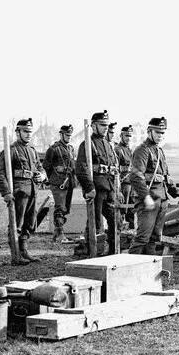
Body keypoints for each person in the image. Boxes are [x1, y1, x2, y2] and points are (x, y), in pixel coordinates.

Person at [128, 117, 179, 255]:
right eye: (157, 132)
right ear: (149, 132)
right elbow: (136, 176)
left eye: (162, 133)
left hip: (161, 199)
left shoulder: (159, 150)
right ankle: (129, 266)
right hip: (149, 200)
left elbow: (165, 176)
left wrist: (175, 191)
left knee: (154, 238)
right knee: (142, 238)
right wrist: (146, 197)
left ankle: (149, 265)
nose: (160, 136)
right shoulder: (142, 150)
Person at [0, 118, 47, 265]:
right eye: (25, 131)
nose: (29, 134)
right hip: (19, 193)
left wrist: (42, 175)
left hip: (33, 191)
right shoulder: (11, 150)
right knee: (17, 223)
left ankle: (24, 251)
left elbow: (40, 167)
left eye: (30, 132)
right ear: (18, 133)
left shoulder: (32, 150)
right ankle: (15, 255)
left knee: (30, 223)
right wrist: (6, 193)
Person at [76, 110, 121, 257]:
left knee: (116, 220)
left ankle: (113, 251)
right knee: (95, 222)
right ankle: (91, 251)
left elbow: (115, 169)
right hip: (96, 189)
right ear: (94, 126)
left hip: (110, 189)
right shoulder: (87, 145)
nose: (106, 128)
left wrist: (118, 190)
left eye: (107, 125)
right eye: (102, 125)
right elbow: (81, 168)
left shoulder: (108, 145)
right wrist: (89, 188)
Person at [44, 125, 77, 242]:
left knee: (65, 209)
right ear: (61, 135)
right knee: (60, 208)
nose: (69, 137)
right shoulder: (53, 149)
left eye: (70, 135)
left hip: (69, 182)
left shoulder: (71, 148)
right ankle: (60, 234)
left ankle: (57, 232)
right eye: (67, 135)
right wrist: (54, 178)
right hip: (58, 183)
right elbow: (46, 166)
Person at [114, 125, 136, 230]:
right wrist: (118, 190)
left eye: (130, 136)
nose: (128, 138)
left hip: (132, 184)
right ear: (121, 136)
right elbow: (115, 171)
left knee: (131, 211)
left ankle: (131, 233)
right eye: (126, 135)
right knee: (122, 211)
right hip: (123, 184)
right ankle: (120, 234)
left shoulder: (130, 150)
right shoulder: (117, 150)